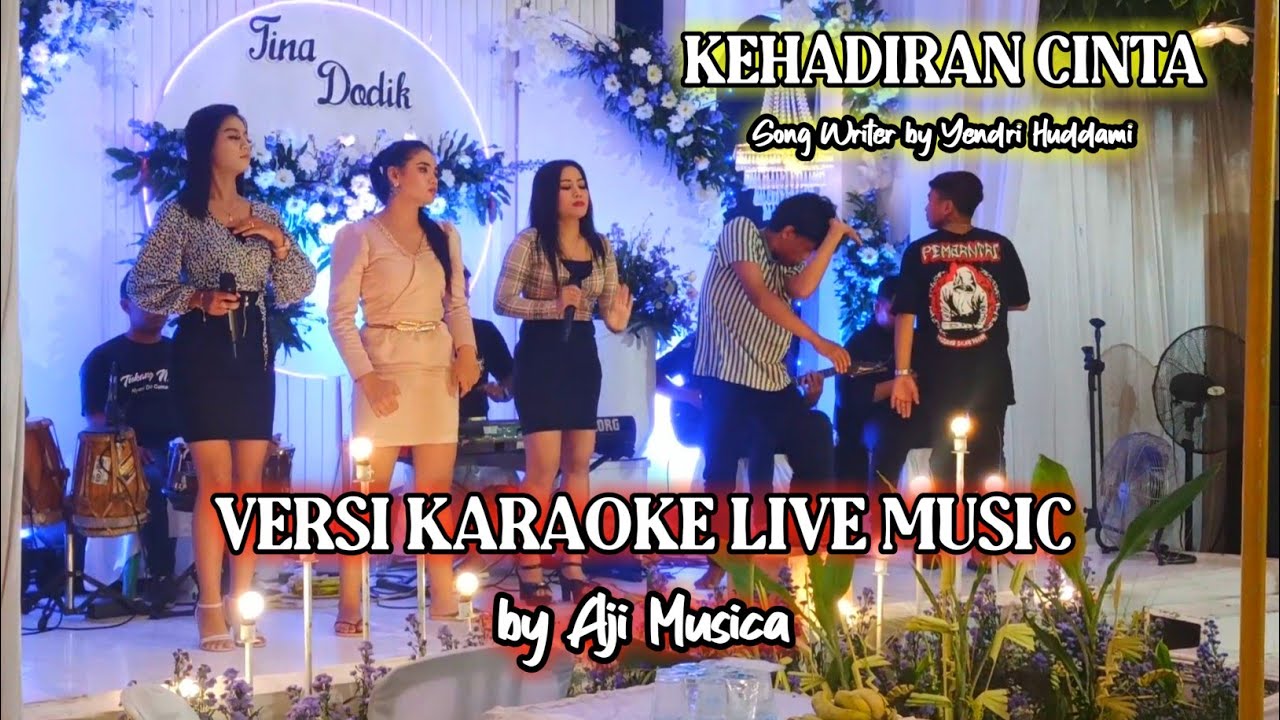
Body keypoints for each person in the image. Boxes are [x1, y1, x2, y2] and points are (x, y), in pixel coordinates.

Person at [128, 103, 318, 652]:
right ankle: (209, 604)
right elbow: (144, 284)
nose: (245, 144)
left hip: (255, 351)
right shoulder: (181, 213)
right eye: (233, 135)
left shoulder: (265, 212)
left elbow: (299, 286)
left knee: (250, 488)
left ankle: (243, 600)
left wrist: (277, 241)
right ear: (207, 145)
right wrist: (197, 297)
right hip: (203, 351)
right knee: (215, 484)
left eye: (247, 135)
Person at [327, 140, 482, 633]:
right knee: (365, 495)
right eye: (422, 168)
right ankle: (350, 602)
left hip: (435, 369)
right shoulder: (358, 235)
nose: (433, 178)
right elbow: (339, 316)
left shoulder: (445, 235)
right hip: (383, 366)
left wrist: (466, 351)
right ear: (394, 175)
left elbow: (457, 305)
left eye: (435, 169)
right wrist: (367, 377)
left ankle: (443, 596)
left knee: (434, 492)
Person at [494, 159, 633, 604]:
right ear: (547, 194)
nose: (578, 193)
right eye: (566, 186)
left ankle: (573, 564)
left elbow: (608, 307)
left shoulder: (601, 245)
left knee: (578, 465)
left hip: (582, 357)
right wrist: (550, 306)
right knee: (542, 468)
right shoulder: (530, 242)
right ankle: (529, 565)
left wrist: (616, 320)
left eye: (582, 185)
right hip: (541, 355)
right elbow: (502, 300)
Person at [692, 193, 857, 553]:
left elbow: (802, 288)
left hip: (771, 380)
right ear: (787, 233)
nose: (805, 258)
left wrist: (832, 237)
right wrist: (818, 341)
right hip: (726, 375)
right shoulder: (742, 231)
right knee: (721, 469)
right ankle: (720, 562)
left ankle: (799, 539)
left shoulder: (786, 264)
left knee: (815, 432)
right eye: (807, 249)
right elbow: (759, 295)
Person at [888, 170, 1030, 493]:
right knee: (988, 465)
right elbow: (1020, 302)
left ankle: (945, 524)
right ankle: (984, 524)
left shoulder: (919, 252)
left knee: (942, 464)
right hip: (990, 377)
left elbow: (906, 315)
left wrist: (902, 373)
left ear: (947, 206)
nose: (926, 207)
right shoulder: (1001, 246)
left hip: (940, 377)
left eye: (930, 200)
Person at [79, 272, 180, 602]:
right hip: (125, 454)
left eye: (162, 299)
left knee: (218, 477)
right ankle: (162, 575)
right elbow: (96, 418)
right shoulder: (102, 358)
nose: (157, 308)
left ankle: (225, 578)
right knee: (152, 480)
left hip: (179, 449)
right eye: (147, 300)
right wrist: (129, 447)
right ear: (126, 305)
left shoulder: (181, 354)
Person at [835, 275, 918, 492]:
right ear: (877, 307)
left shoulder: (916, 340)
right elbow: (850, 397)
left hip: (910, 416)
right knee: (889, 436)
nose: (901, 321)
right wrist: (898, 384)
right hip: (866, 421)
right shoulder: (858, 344)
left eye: (906, 315)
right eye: (894, 313)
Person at [459, 267, 515, 421]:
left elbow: (510, 376)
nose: (463, 302)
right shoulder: (424, 334)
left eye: (466, 295)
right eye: (458, 295)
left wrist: (503, 392)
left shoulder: (485, 331)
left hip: (474, 423)